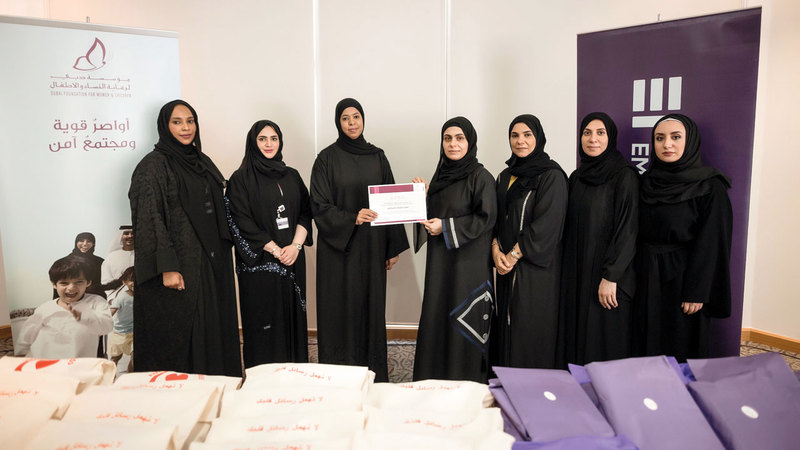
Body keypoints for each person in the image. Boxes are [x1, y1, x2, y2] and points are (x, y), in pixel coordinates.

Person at [129, 99, 241, 376]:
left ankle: (217, 384)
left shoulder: (201, 161)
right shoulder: (153, 166)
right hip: (180, 264)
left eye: (190, 121)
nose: (186, 128)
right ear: (164, 126)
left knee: (211, 325)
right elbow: (149, 217)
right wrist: (166, 267)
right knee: (183, 332)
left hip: (209, 260)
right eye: (177, 122)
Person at [309, 98, 409, 381]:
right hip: (339, 251)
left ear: (363, 119)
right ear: (338, 122)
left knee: (369, 308)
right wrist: (352, 217)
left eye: (356, 116)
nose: (352, 123)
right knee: (338, 309)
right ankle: (338, 374)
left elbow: (390, 198)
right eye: (345, 118)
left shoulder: (377, 156)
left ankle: (372, 372)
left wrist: (392, 247)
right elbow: (318, 204)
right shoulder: (326, 158)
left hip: (372, 248)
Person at [636, 113, 732, 362]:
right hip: (646, 275)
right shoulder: (646, 181)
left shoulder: (710, 186)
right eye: (659, 138)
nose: (667, 144)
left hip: (684, 279)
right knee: (645, 342)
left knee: (681, 343)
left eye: (676, 137)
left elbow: (713, 243)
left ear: (690, 141)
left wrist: (697, 291)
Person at [412, 117, 496, 382]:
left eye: (459, 138)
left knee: (464, 320)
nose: (453, 144)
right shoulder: (440, 177)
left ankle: (465, 381)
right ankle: (434, 379)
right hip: (441, 263)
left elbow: (486, 219)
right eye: (447, 139)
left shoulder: (481, 177)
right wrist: (421, 197)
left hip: (468, 266)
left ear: (470, 142)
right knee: (438, 314)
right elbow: (431, 219)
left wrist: (446, 227)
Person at [227, 120, 312, 368]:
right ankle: (263, 381)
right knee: (264, 324)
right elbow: (240, 221)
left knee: (292, 319)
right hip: (261, 264)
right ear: (253, 142)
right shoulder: (240, 179)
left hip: (292, 259)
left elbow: (306, 212)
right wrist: (275, 250)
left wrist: (295, 247)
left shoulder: (292, 175)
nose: (268, 144)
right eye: (262, 139)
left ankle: (296, 374)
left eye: (274, 138)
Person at [559, 112, 638, 365]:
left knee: (604, 341)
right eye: (587, 133)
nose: (592, 139)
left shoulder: (624, 176)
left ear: (610, 137)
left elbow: (628, 230)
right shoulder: (577, 177)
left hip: (609, 277)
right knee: (578, 340)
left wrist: (611, 276)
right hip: (579, 273)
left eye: (600, 133)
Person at [490, 114, 568, 370]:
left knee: (530, 326)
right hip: (505, 265)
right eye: (515, 135)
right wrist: (495, 251)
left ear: (539, 138)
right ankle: (506, 380)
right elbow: (495, 219)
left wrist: (513, 255)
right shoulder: (504, 176)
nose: (520, 141)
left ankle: (532, 386)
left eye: (527, 135)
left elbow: (548, 224)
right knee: (506, 323)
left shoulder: (551, 176)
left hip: (536, 269)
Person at [16, 256, 112, 358]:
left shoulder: (96, 302)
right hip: (45, 362)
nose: (71, 288)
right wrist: (20, 357)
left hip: (79, 363)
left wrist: (84, 317)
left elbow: (106, 327)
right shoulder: (45, 308)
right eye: (64, 283)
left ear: (88, 282)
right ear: (54, 284)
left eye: (78, 282)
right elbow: (25, 338)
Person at [56, 232, 106, 299]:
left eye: (88, 241)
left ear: (93, 244)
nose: (85, 244)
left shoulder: (100, 261)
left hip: (95, 298)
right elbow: (59, 284)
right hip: (71, 297)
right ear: (76, 242)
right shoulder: (65, 261)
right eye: (81, 241)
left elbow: (104, 282)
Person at [109, 266, 134, 373]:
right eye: (132, 280)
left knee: (135, 357)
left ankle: (130, 376)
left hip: (133, 334)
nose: (135, 283)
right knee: (115, 358)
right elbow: (111, 312)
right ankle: (110, 376)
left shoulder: (142, 296)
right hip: (119, 334)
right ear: (125, 282)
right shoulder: (122, 297)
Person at [101, 226, 135, 302]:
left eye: (133, 233)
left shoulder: (143, 255)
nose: (130, 236)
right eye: (126, 233)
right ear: (121, 236)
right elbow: (106, 281)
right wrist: (111, 299)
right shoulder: (111, 257)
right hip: (117, 298)